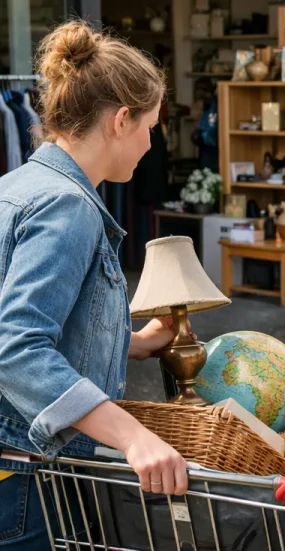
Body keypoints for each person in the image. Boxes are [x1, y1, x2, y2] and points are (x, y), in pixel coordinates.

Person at [0, 20, 191, 548]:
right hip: (33, 484)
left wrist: (131, 343)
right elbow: (17, 346)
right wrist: (134, 438)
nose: (151, 144)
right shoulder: (67, 206)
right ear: (121, 120)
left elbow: (47, 327)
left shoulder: (18, 186)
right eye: (149, 127)